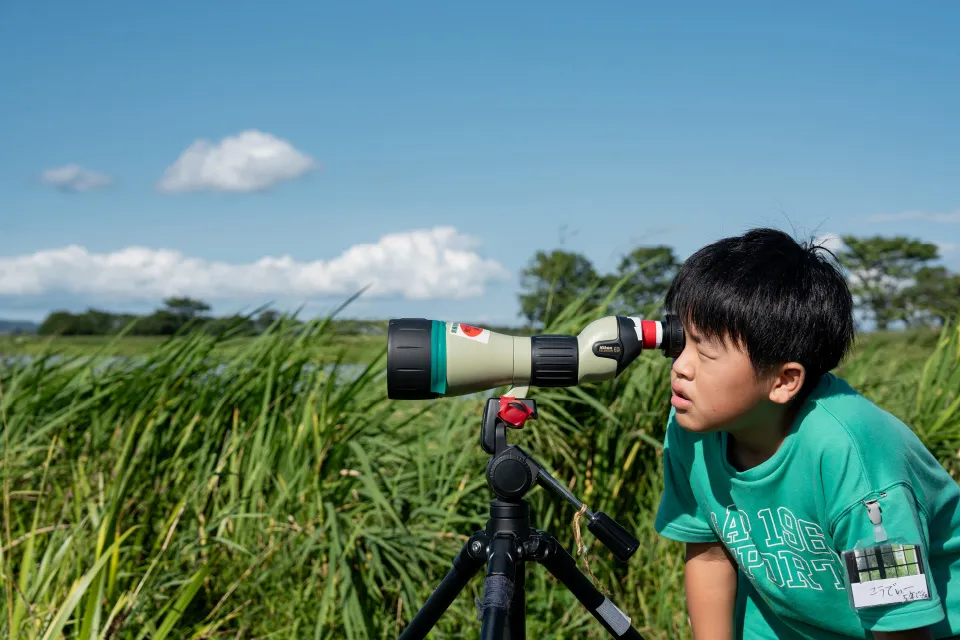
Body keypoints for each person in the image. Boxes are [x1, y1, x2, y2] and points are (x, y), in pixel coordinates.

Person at [653, 228, 960, 639]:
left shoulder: (852, 458)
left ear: (783, 381)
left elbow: (899, 624)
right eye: (681, 342)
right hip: (785, 625)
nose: (681, 367)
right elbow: (710, 555)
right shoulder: (693, 425)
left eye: (705, 351)